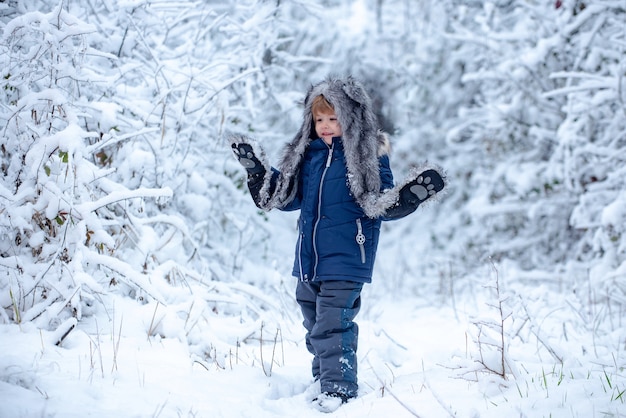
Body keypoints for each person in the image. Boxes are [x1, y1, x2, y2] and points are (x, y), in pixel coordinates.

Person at [229, 75, 445, 412]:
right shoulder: (310, 157)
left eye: (334, 119)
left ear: (351, 119)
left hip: (347, 257)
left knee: (332, 322)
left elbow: (379, 203)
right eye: (319, 119)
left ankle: (338, 390)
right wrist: (260, 172)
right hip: (309, 259)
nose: (326, 126)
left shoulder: (366, 156)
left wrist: (404, 198)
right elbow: (287, 198)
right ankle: (323, 378)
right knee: (314, 322)